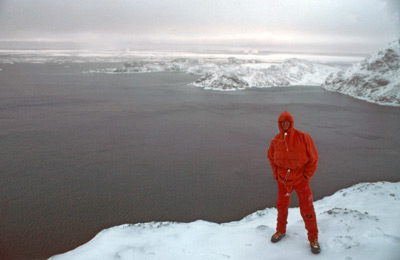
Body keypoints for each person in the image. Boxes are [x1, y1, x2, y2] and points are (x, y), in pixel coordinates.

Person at [267, 111, 321, 254]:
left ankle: (313, 238)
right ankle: (280, 230)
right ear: (279, 124)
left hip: (300, 181)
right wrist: (276, 175)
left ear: (291, 123)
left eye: (287, 122)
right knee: (282, 207)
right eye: (282, 122)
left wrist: (306, 177)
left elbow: (313, 159)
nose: (285, 124)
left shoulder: (303, 138)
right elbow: (271, 158)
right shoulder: (276, 140)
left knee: (307, 209)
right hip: (283, 181)